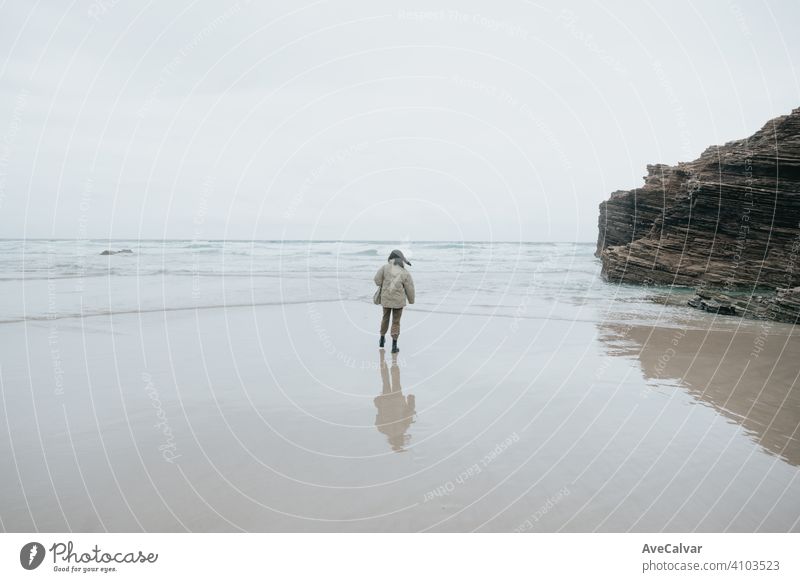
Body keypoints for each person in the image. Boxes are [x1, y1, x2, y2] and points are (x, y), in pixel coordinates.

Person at [373, 249, 415, 353]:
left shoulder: (384, 268)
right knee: (396, 322)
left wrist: (385, 282)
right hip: (398, 302)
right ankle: (394, 346)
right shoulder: (404, 272)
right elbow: (410, 288)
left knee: (385, 318)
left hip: (386, 300)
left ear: (391, 257)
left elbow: (377, 281)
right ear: (401, 259)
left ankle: (382, 339)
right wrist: (411, 300)